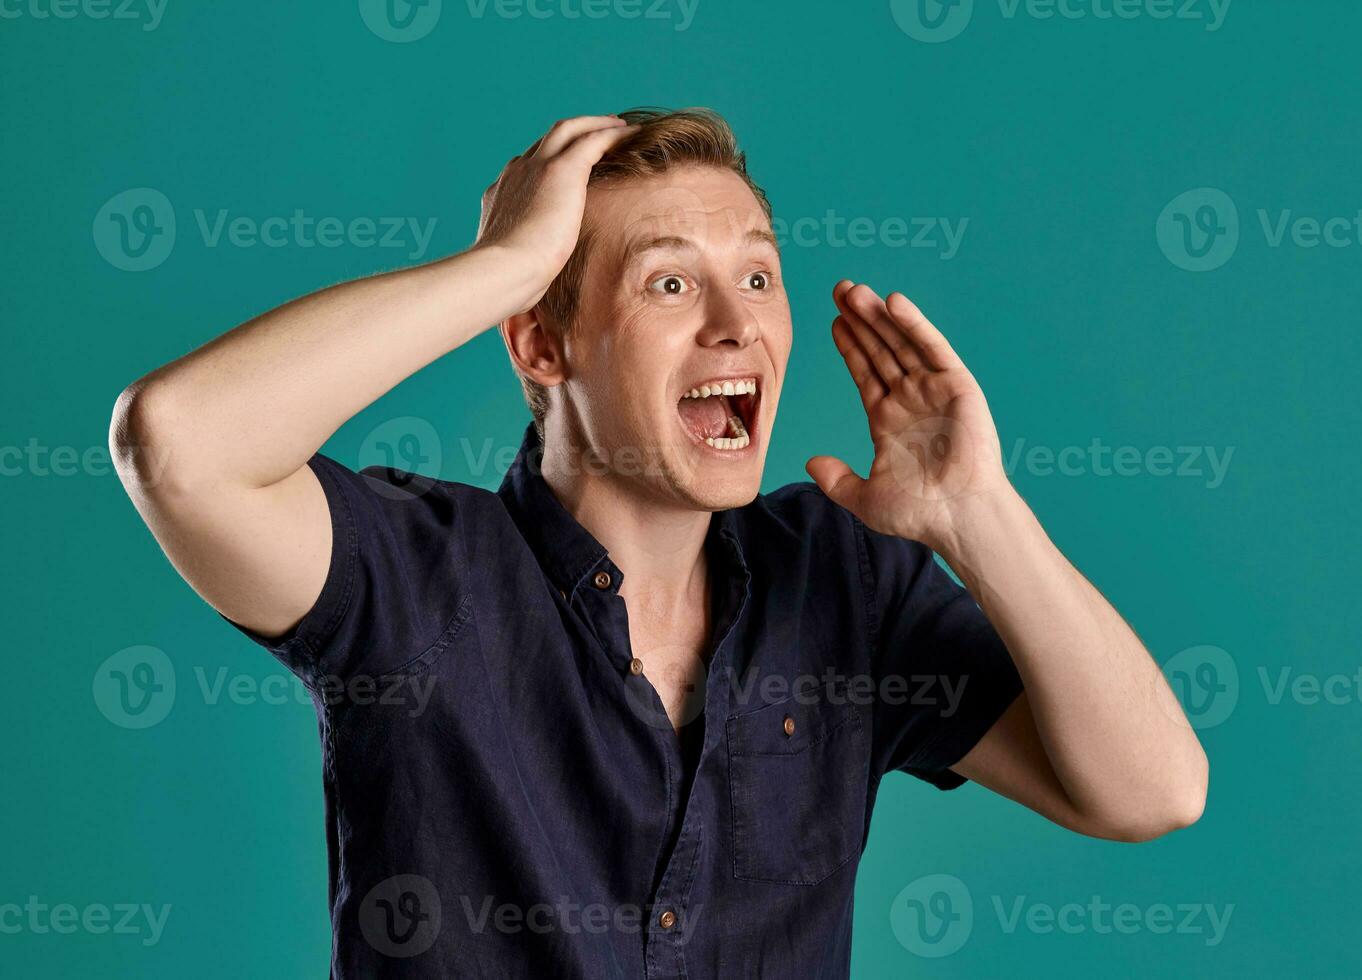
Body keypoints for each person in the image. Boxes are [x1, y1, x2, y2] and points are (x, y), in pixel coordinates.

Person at [109, 107, 1208, 978]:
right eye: (671, 281)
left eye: (760, 275)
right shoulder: (416, 577)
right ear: (543, 342)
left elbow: (1152, 787)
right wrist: (508, 264)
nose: (735, 322)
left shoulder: (842, 582)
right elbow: (177, 444)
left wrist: (980, 514)